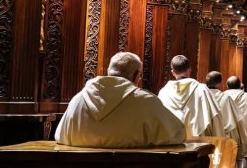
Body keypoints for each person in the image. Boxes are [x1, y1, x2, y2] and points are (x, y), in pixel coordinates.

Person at [55, 52, 185, 148]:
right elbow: (178, 133)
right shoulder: (146, 102)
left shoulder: (78, 100)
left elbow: (60, 136)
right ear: (135, 75)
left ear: (108, 71)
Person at [158, 55, 225, 138]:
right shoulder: (202, 90)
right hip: (197, 143)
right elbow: (215, 118)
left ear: (173, 72)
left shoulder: (164, 92)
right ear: (190, 69)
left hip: (172, 141)